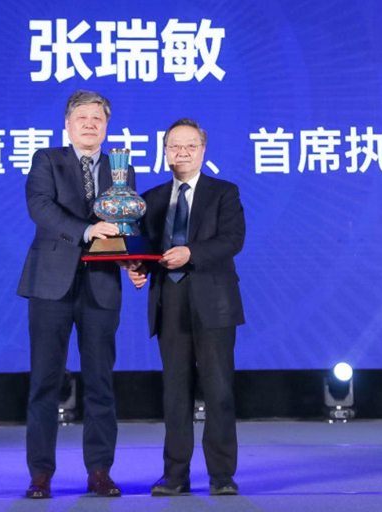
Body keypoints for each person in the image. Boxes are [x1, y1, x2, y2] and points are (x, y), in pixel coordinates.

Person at [17, 90, 133, 499]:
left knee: (100, 382)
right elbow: (40, 208)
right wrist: (86, 230)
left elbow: (126, 224)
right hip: (51, 283)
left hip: (101, 284)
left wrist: (133, 261)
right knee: (45, 382)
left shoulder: (121, 168)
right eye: (82, 117)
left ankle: (100, 471)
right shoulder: (47, 160)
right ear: (67, 124)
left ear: (106, 126)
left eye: (97, 118)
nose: (89, 124)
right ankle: (40, 475)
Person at [126, 118, 245, 496]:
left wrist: (191, 252)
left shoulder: (224, 192)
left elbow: (233, 240)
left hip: (214, 302)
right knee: (175, 393)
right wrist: (137, 268)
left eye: (190, 145)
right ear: (164, 152)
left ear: (203, 150)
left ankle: (222, 475)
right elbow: (147, 247)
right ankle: (175, 474)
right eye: (175, 146)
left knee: (219, 390)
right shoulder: (152, 198)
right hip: (169, 299)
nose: (183, 152)